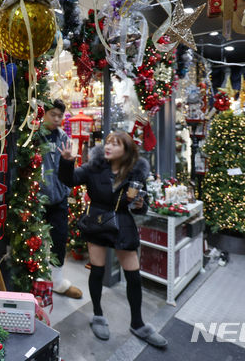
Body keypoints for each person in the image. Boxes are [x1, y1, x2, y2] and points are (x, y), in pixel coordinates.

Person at [57, 130, 168, 348]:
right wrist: (67, 162)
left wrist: (139, 205)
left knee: (133, 276)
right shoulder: (93, 168)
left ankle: (138, 323)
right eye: (107, 143)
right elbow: (69, 179)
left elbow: (140, 206)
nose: (108, 147)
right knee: (97, 270)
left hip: (123, 224)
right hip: (98, 222)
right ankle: (98, 315)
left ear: (126, 151)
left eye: (115, 144)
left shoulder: (134, 173)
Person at [39, 99, 82, 299]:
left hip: (59, 199)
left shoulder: (64, 137)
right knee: (34, 241)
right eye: (53, 114)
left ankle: (57, 281)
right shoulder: (34, 135)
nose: (56, 119)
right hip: (36, 199)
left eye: (59, 115)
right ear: (44, 113)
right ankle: (36, 279)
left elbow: (68, 169)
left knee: (59, 238)